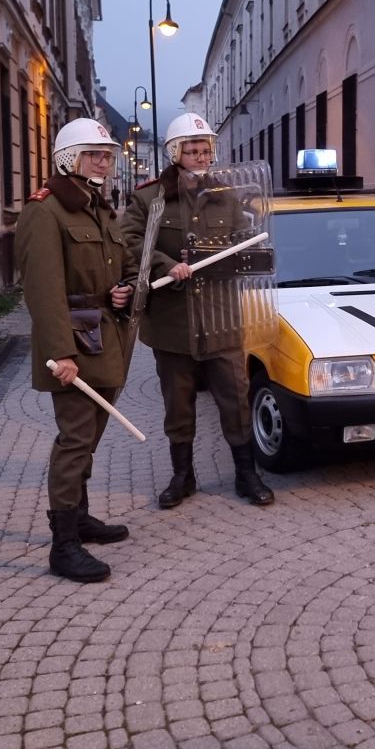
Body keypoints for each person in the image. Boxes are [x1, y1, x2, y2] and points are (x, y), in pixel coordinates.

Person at [121, 112, 274, 509]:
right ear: (175, 153)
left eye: (205, 150)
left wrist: (248, 251)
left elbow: (245, 241)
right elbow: (128, 242)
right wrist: (165, 265)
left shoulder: (226, 196)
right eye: (192, 151)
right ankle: (183, 476)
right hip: (173, 322)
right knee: (178, 404)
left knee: (235, 400)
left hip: (221, 319)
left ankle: (246, 474)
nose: (201, 157)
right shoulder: (149, 198)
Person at [15, 117, 137, 583]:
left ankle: (80, 517)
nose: (103, 162)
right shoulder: (45, 211)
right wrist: (60, 353)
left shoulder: (98, 208)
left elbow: (120, 266)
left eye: (107, 155)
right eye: (94, 155)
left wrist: (124, 289)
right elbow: (42, 290)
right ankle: (63, 546)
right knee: (74, 441)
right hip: (73, 345)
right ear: (69, 158)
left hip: (105, 340)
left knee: (91, 437)